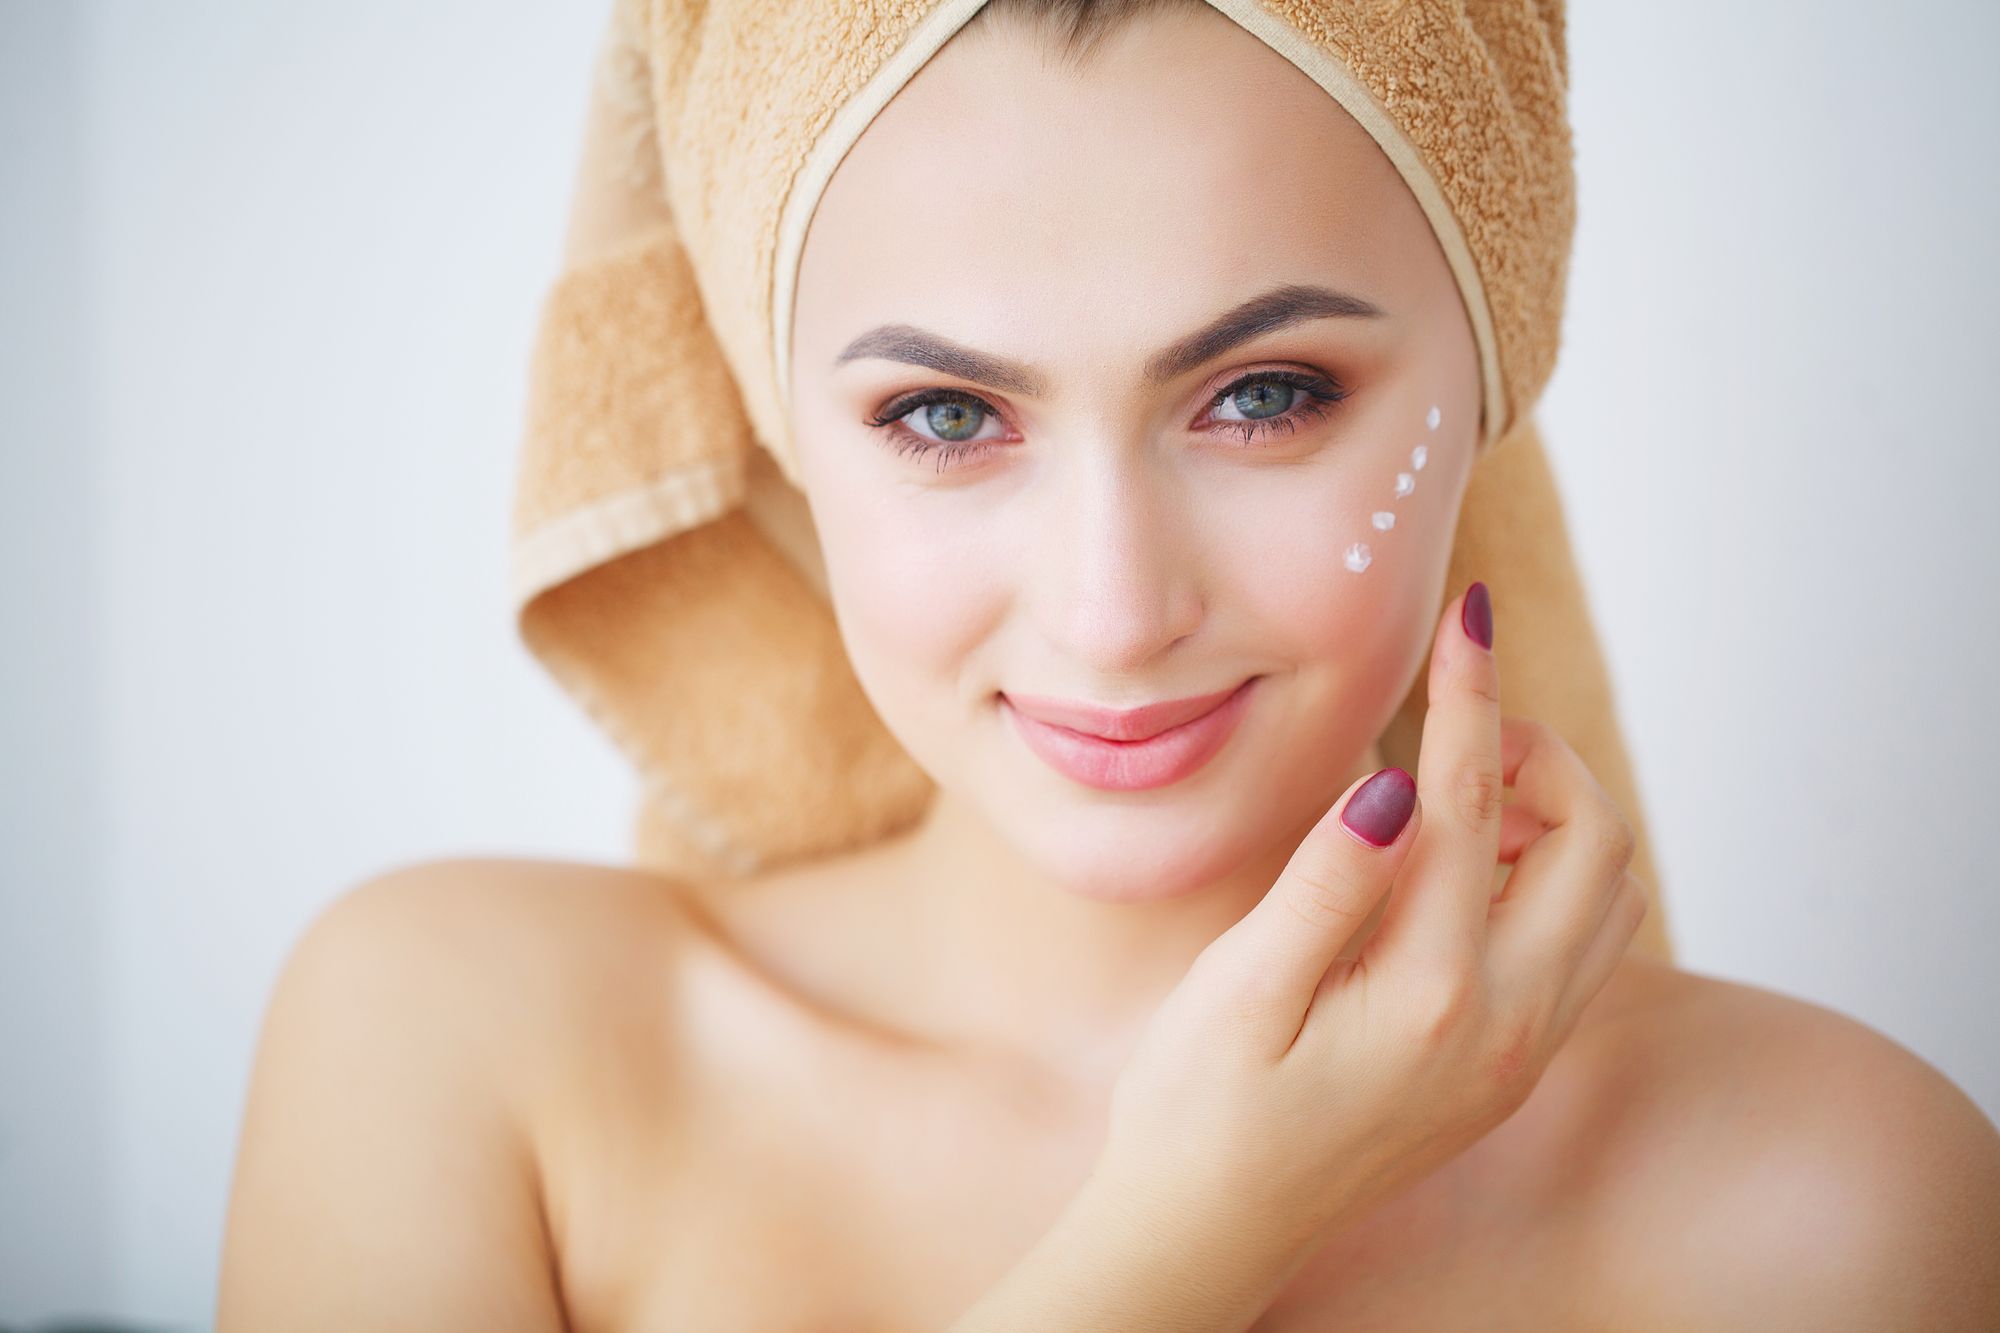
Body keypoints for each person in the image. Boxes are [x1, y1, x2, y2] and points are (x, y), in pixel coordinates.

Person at [216, 2, 2000, 1328]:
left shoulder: (1836, 1200)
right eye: (943, 413)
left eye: (1265, 395)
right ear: (784, 439)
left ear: (1489, 383)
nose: (1113, 606)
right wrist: (1194, 1225)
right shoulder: (462, 1048)